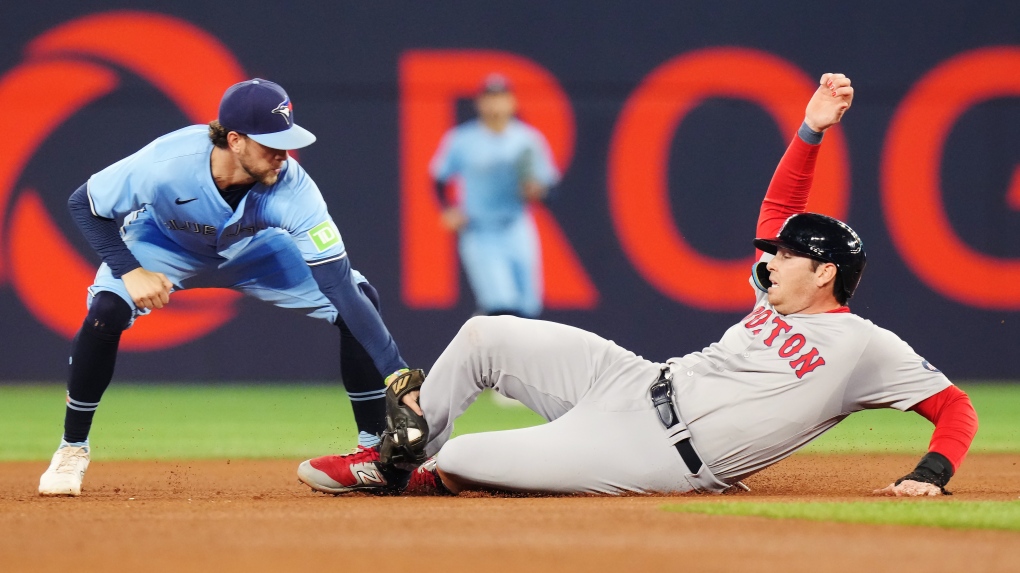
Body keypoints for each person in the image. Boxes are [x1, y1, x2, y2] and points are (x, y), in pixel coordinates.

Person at [299, 73, 978, 497]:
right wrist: (810, 130)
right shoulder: (776, 287)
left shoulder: (863, 346)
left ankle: (430, 470)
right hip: (637, 380)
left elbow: (956, 409)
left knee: (469, 457)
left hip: (658, 454)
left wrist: (931, 473)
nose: (770, 257)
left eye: (789, 254)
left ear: (825, 271)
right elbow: (779, 212)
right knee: (484, 335)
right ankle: (393, 460)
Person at [39, 79, 418, 496]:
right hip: (163, 242)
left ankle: (370, 451)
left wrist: (397, 374)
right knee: (107, 312)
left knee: (361, 299)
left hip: (253, 248)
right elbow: (84, 203)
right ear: (235, 141)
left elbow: (339, 286)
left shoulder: (293, 187)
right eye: (270, 144)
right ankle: (71, 449)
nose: (282, 155)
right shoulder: (169, 161)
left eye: (286, 142)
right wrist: (130, 271)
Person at [430, 73, 560, 318]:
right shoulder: (463, 139)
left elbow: (550, 191)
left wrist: (537, 192)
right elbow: (439, 178)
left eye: (501, 98)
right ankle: (488, 350)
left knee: (528, 307)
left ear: (512, 102)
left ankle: (489, 342)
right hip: (480, 230)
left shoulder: (527, 140)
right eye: (489, 99)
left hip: (516, 225)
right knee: (501, 305)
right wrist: (448, 208)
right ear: (479, 103)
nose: (495, 105)